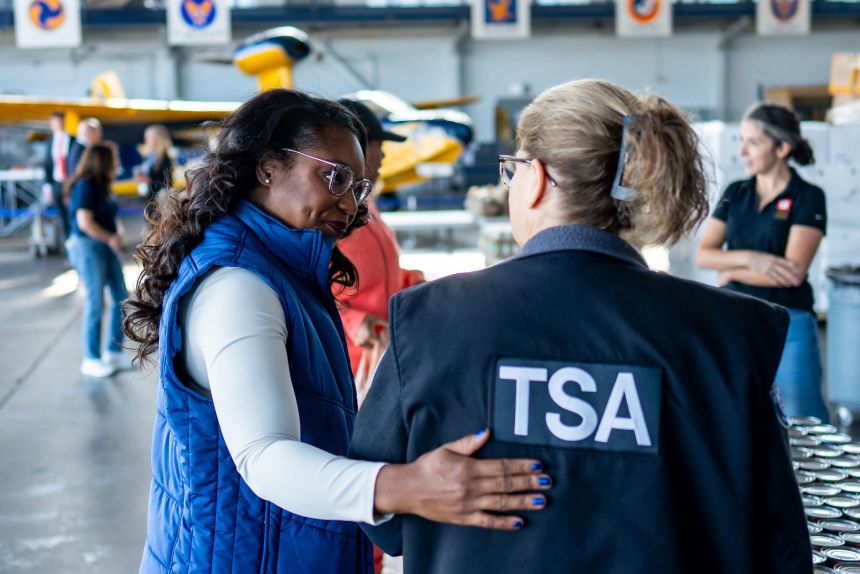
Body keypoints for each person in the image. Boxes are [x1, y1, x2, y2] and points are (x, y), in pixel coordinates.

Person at [350, 80, 811, 573]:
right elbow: (778, 542)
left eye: (512, 170)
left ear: (539, 177)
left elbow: (381, 521)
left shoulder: (427, 321)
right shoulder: (729, 333)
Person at [122, 89, 551, 574]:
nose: (349, 204)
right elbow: (264, 455)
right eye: (334, 177)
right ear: (267, 168)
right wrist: (411, 485)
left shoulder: (283, 270)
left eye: (359, 187)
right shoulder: (238, 286)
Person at [696, 103, 827, 422]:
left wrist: (728, 268)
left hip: (788, 322)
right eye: (741, 140)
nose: (742, 151)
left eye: (752, 142)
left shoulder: (807, 196)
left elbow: (792, 273)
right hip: (736, 318)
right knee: (739, 416)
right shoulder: (736, 193)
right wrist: (751, 258)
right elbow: (703, 255)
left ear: (782, 148)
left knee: (801, 418)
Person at [335, 98, 424, 405]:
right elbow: (305, 283)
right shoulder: (332, 213)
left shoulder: (365, 204)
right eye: (378, 144)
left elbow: (374, 274)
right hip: (347, 366)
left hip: (380, 361)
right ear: (355, 147)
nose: (384, 154)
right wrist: (352, 322)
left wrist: (414, 284)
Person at [65, 143, 128, 378]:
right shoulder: (85, 186)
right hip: (89, 246)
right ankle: (91, 358)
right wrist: (110, 238)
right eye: (114, 159)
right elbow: (85, 223)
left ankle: (113, 351)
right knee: (96, 302)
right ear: (103, 162)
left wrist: (116, 234)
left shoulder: (104, 187)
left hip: (106, 244)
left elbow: (111, 216)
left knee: (121, 297)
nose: (118, 163)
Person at [42, 111, 72, 242]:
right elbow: (48, 165)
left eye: (61, 121)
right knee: (63, 217)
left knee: (74, 215)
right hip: (57, 183)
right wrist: (48, 187)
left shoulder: (73, 140)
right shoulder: (49, 142)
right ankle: (69, 248)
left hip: (71, 183)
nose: (58, 125)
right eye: (55, 122)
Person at [135, 124, 175, 200]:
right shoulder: (150, 156)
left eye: (148, 137)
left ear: (157, 139)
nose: (146, 140)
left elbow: (166, 184)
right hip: (150, 198)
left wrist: (148, 180)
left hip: (161, 200)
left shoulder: (165, 158)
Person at [66, 117, 103, 182]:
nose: (100, 135)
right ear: (89, 132)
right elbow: (78, 173)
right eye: (97, 131)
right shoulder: (80, 149)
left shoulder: (82, 146)